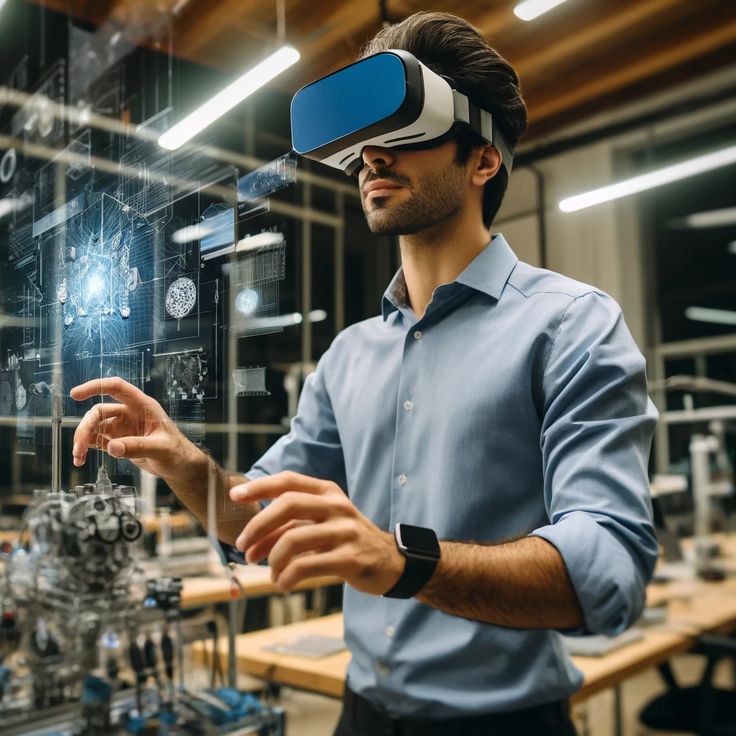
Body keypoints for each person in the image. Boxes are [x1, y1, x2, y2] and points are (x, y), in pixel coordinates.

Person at [70, 12, 658, 736]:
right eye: (364, 141)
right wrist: (184, 462)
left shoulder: (571, 325)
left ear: (483, 160)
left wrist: (403, 561)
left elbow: (609, 571)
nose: (373, 157)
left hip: (506, 722)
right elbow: (254, 524)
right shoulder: (349, 356)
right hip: (360, 717)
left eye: (407, 132)